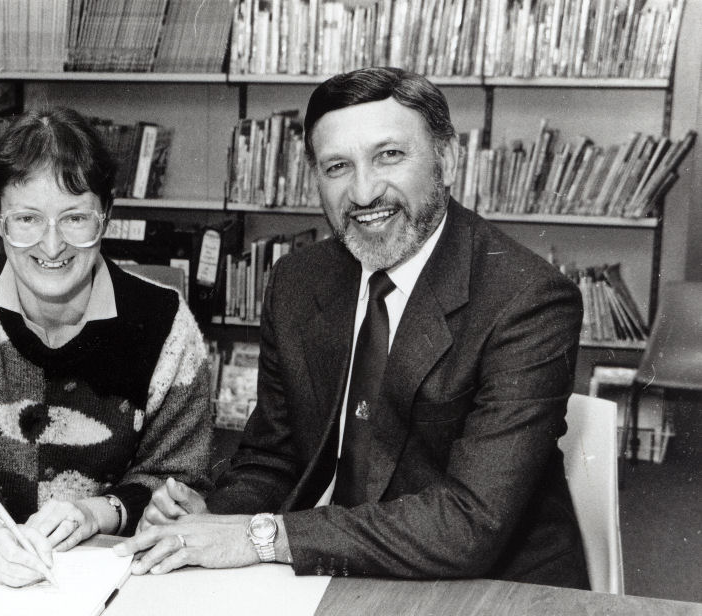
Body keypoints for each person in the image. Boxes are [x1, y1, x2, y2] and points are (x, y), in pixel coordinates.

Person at [117, 67, 589, 589]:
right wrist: (212, 514)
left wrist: (260, 537)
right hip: (336, 569)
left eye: (389, 155)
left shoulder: (526, 299)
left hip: (491, 592)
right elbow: (274, 457)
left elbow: (469, 524)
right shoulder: (299, 280)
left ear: (447, 160)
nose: (364, 193)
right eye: (338, 166)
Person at [0, 107, 213, 587]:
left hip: (112, 576)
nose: (52, 244)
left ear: (107, 214)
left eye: (75, 218)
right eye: (26, 218)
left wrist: (97, 512)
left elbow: (183, 485)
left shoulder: (166, 324)